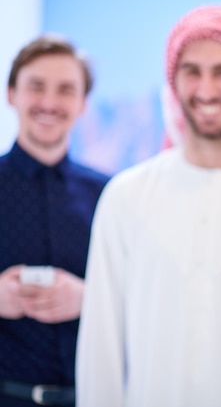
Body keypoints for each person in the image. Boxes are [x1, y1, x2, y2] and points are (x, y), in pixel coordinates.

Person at [75, 5, 221, 407]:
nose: (206, 89)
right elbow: (102, 347)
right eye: (191, 71)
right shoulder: (125, 196)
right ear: (173, 81)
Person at [0, 35, 110, 407]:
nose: (49, 102)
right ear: (11, 93)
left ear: (82, 104)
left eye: (65, 90)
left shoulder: (110, 196)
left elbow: (140, 295)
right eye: (36, 86)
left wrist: (90, 298)